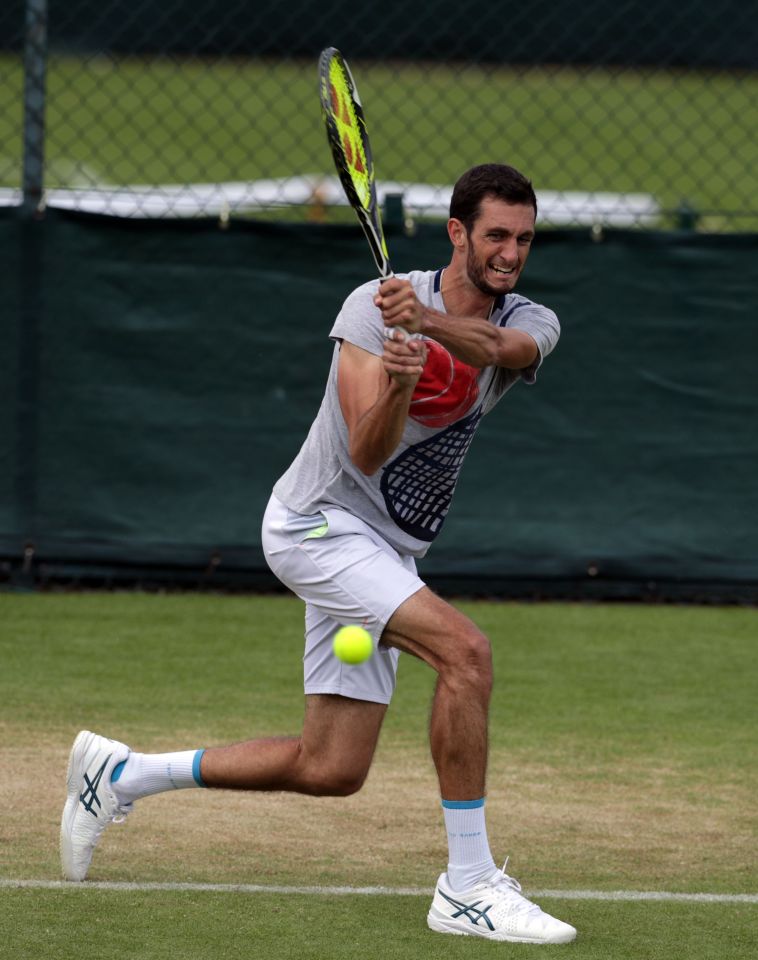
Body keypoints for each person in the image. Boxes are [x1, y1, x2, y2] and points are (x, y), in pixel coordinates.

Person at [60, 163, 577, 945]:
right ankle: (467, 886)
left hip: (388, 552)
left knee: (332, 768)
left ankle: (124, 775)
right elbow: (366, 453)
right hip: (316, 525)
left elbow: (501, 347)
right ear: (457, 233)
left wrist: (429, 330)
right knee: (466, 655)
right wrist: (400, 379)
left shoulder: (534, 319)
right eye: (497, 235)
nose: (511, 253)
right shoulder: (369, 309)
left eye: (525, 238)